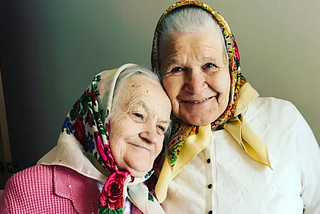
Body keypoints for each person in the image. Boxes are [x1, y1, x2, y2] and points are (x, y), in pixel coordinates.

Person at [150, 1, 320, 214]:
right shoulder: (148, 139)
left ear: (231, 66)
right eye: (177, 68)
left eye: (209, 65)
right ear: (158, 73)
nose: (195, 85)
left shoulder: (284, 120)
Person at [0, 64, 171, 214]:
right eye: (138, 115)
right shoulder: (28, 190)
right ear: (99, 115)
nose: (151, 137)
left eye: (161, 127)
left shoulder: (158, 193)